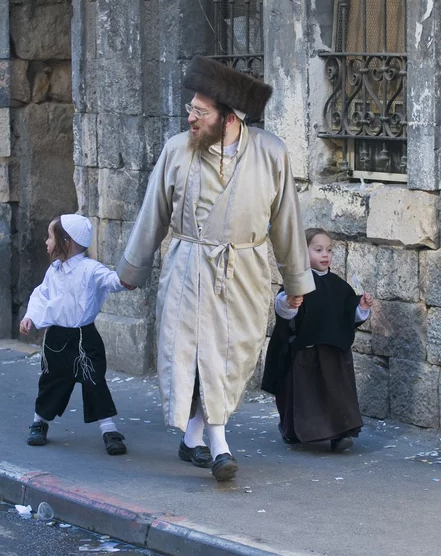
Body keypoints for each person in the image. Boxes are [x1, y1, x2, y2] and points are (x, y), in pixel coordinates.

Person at [117, 55, 315, 481]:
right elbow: (153, 212)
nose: (190, 117)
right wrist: (132, 269)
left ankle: (192, 439)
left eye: (199, 112)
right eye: (190, 108)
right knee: (199, 355)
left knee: (232, 357)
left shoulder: (271, 154)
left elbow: (286, 222)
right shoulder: (176, 151)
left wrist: (296, 282)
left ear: (226, 117)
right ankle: (220, 446)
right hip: (188, 267)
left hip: (244, 272)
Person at [20, 214, 132, 456]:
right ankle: (40, 421)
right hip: (56, 339)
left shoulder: (90, 269)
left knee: (95, 380)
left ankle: (109, 429)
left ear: (65, 241)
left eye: (50, 237)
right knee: (51, 380)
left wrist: (126, 279)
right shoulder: (54, 271)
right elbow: (42, 295)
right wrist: (31, 316)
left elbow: (111, 280)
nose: (46, 242)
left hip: (84, 337)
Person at [262, 228, 373, 451]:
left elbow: (348, 316)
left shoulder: (340, 286)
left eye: (329, 250)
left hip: (334, 354)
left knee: (337, 396)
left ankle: (340, 434)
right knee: (303, 396)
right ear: (303, 252)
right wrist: (289, 303)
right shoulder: (297, 282)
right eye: (318, 250)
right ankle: (293, 431)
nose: (325, 255)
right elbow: (284, 312)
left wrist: (361, 307)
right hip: (305, 353)